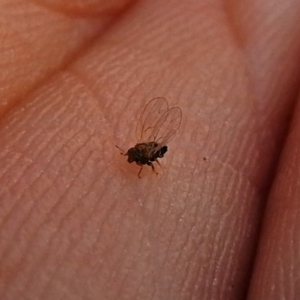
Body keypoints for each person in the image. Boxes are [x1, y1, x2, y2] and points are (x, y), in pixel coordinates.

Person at [0, 0, 299, 299]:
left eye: (133, 156)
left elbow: (151, 152)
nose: (130, 157)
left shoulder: (147, 154)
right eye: (132, 156)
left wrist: (150, 164)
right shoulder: (137, 151)